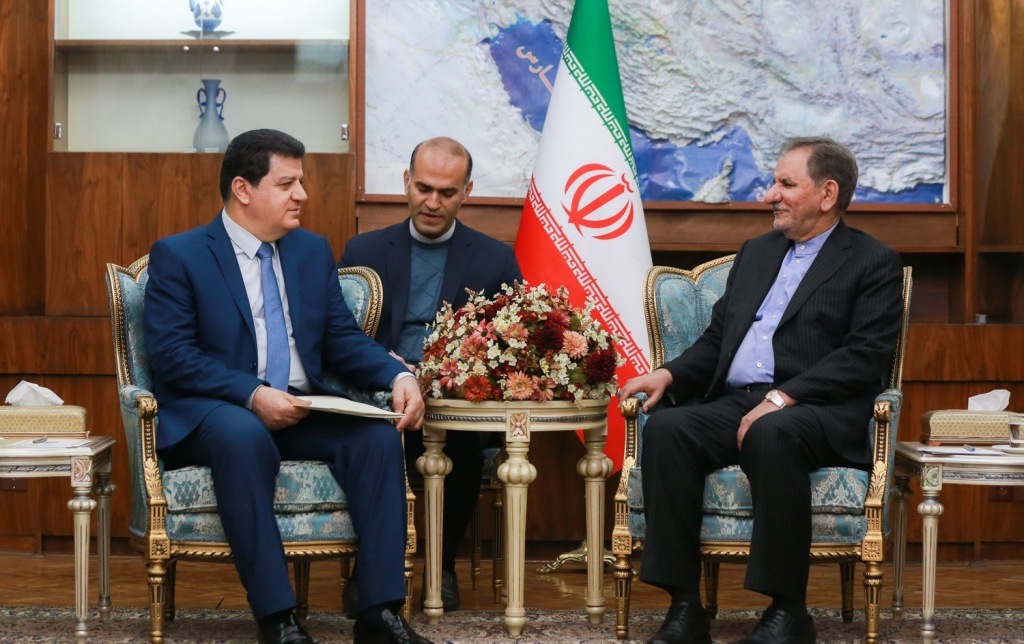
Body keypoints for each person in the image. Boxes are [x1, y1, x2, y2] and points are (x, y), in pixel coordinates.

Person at [144, 128, 433, 644]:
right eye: (287, 183)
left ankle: (379, 613)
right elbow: (172, 356)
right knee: (244, 434)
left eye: (301, 181)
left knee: (376, 438)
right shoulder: (181, 255)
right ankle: (278, 618)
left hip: (300, 406)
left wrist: (399, 374)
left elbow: (342, 338)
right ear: (243, 189)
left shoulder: (310, 251)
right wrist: (252, 394)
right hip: (218, 412)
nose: (302, 194)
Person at [617, 136, 903, 644]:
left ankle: (787, 612)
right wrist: (669, 374)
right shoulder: (757, 252)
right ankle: (685, 608)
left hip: (817, 407)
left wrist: (781, 398)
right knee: (668, 429)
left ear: (827, 193)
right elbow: (718, 339)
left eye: (786, 184)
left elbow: (864, 356)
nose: (770, 195)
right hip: (739, 401)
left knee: (772, 432)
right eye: (774, 182)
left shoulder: (872, 261)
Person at [338, 136, 522, 610]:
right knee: (367, 439)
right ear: (406, 182)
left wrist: (446, 373)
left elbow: (510, 344)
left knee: (462, 440)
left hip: (455, 401)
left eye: (447, 192)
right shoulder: (363, 250)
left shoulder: (494, 259)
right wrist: (390, 369)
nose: (433, 202)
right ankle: (370, 569)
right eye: (423, 188)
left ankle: (441, 566)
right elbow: (340, 334)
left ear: (467, 192)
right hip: (379, 394)